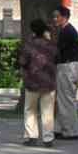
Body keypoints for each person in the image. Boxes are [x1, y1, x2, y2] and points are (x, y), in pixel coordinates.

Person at [19, 18, 57, 147]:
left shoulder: (29, 45)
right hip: (49, 81)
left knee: (30, 109)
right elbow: (57, 58)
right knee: (48, 110)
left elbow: (23, 62)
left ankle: (31, 136)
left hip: (32, 81)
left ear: (32, 30)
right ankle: (48, 137)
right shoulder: (51, 45)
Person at [53, 5, 78, 140]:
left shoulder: (66, 31)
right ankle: (59, 127)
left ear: (64, 17)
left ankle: (71, 130)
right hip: (72, 66)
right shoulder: (69, 30)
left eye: (57, 16)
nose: (55, 19)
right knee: (63, 99)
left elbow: (58, 52)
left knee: (66, 100)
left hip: (67, 67)